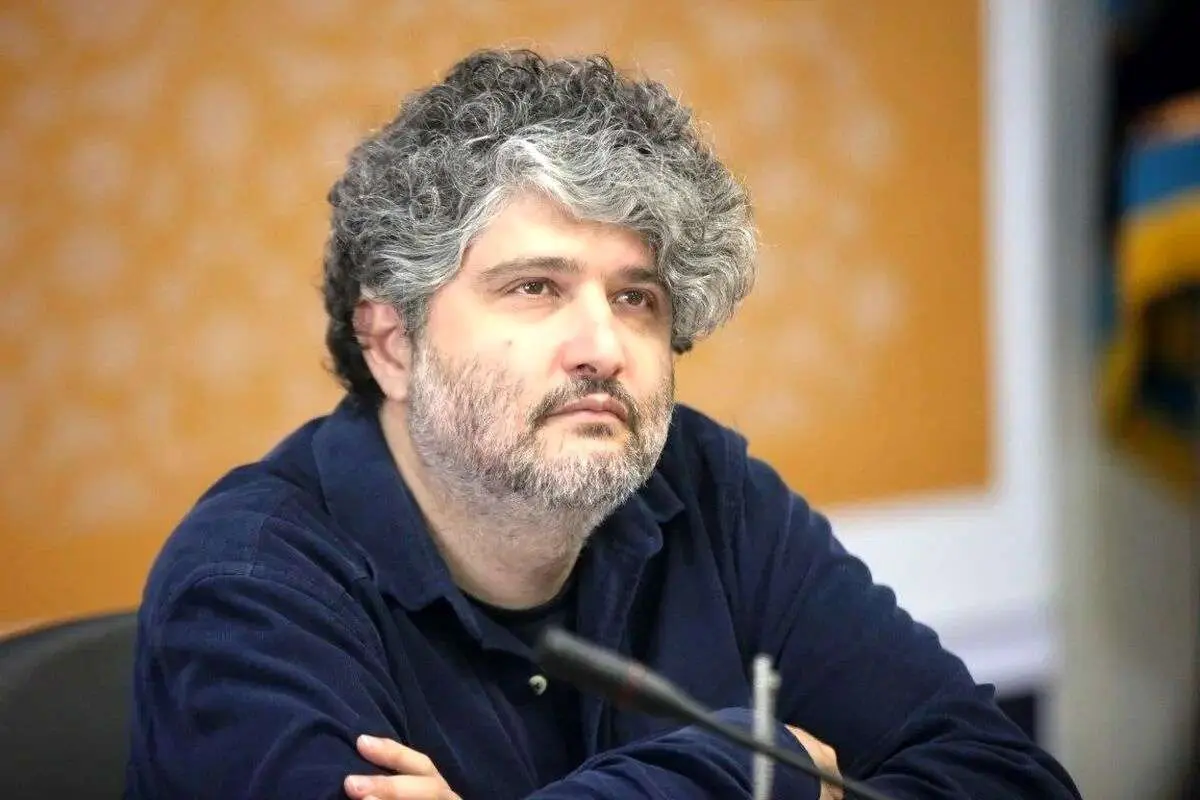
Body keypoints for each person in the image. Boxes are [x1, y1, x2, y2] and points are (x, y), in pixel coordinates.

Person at [124, 49, 1082, 800]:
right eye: (535, 288)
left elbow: (1007, 777)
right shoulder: (248, 584)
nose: (604, 348)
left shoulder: (705, 490)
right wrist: (756, 770)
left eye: (636, 299)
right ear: (392, 345)